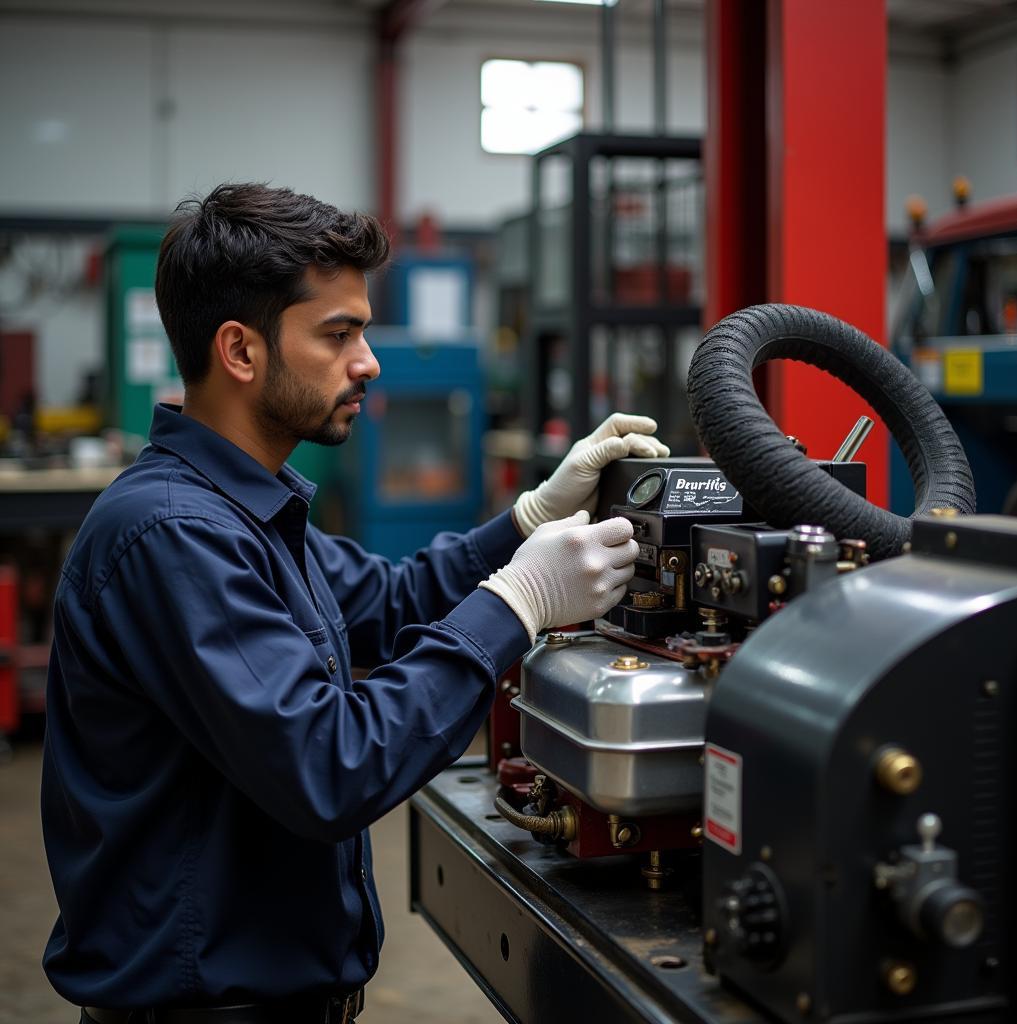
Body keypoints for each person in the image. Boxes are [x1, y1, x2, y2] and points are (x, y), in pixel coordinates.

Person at [41, 183, 669, 1024]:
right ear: (240, 351)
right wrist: (519, 603)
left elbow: (390, 600)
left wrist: (529, 519)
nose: (368, 360)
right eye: (338, 334)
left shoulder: (248, 510)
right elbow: (330, 766)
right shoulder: (172, 533)